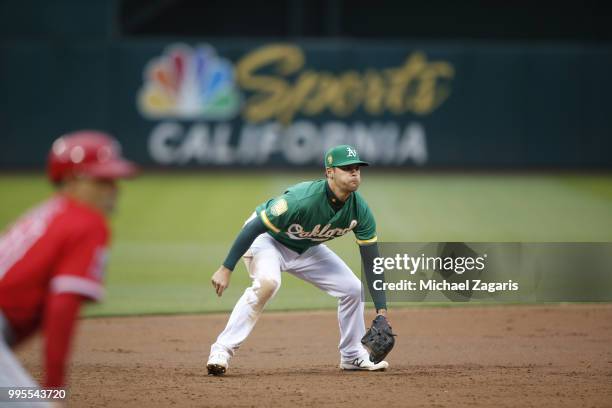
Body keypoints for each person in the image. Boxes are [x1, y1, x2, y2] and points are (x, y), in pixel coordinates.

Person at [207, 144, 388, 375]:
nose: (354, 172)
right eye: (347, 168)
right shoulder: (302, 199)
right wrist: (226, 267)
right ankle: (221, 350)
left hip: (305, 247)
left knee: (353, 289)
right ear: (330, 172)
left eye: (357, 168)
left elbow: (372, 261)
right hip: (267, 240)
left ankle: (352, 356)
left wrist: (382, 312)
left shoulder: (360, 210)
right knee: (268, 283)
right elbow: (255, 226)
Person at [0, 130, 137, 396]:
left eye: (113, 180)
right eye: (102, 181)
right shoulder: (86, 222)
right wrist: (54, 388)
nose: (113, 189)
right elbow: (62, 304)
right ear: (73, 179)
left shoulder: (49, 212)